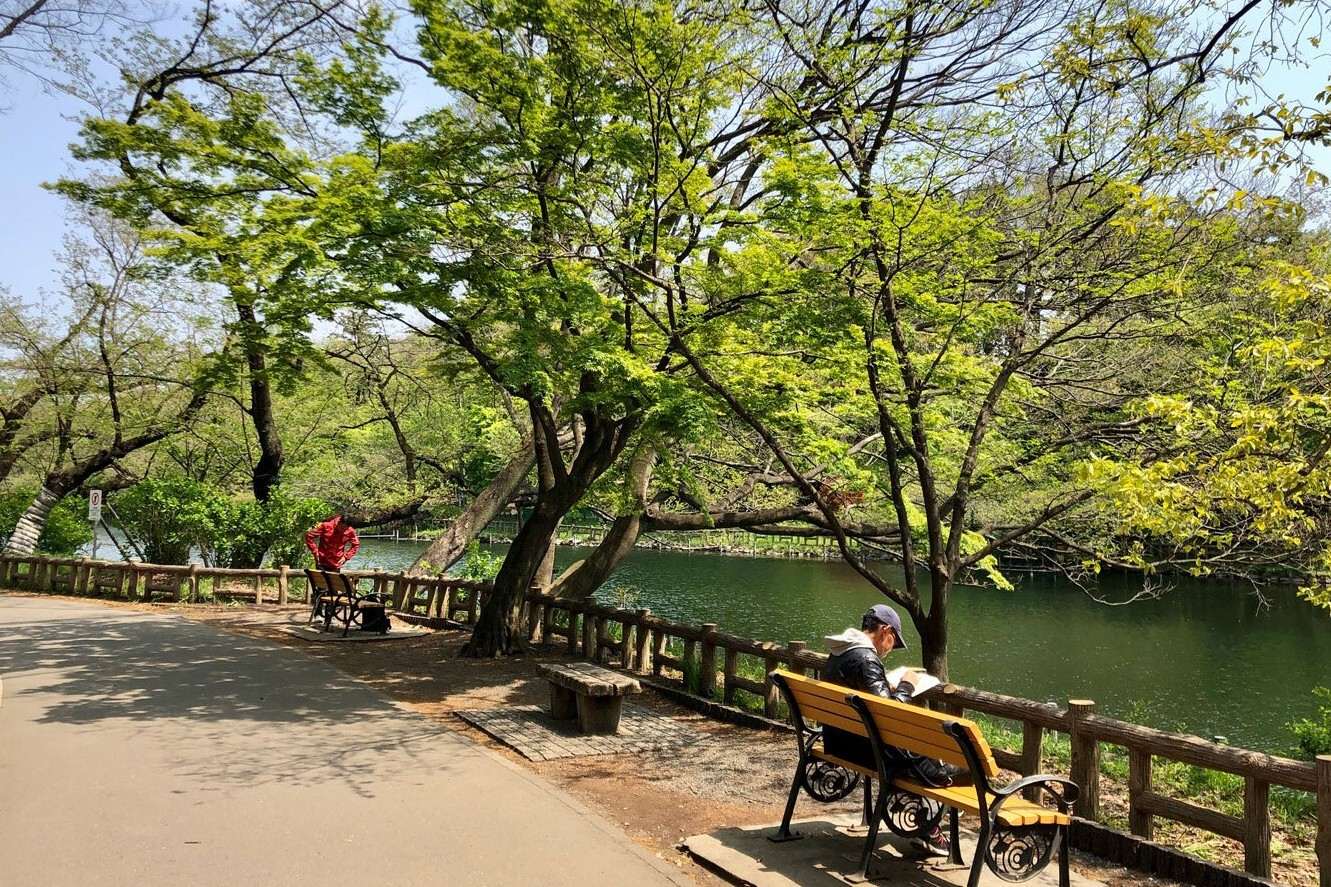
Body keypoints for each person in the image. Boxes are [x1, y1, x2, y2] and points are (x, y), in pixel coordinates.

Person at [823, 603, 962, 855]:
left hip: (841, 743)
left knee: (923, 758)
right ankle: (929, 826)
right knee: (958, 770)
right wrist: (907, 686)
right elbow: (888, 715)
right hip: (871, 753)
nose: (891, 649)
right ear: (885, 630)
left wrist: (886, 684)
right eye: (894, 641)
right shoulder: (866, 658)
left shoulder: (839, 652)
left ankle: (926, 826)